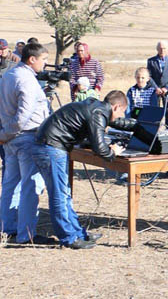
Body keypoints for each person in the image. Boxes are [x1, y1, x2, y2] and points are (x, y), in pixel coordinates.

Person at [29, 90, 129, 248]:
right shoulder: (99, 113)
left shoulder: (95, 107)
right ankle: (69, 238)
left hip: (52, 145)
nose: (120, 117)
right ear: (116, 107)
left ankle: (78, 233)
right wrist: (112, 152)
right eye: (122, 112)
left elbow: (90, 136)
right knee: (59, 195)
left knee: (65, 194)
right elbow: (100, 148)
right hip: (51, 147)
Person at [0, 42, 50, 243]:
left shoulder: (9, 75)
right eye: (44, 60)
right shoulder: (26, 79)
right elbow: (23, 115)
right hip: (26, 136)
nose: (45, 64)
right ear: (32, 59)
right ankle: (26, 234)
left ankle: (7, 227)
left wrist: (5, 133)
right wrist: (9, 132)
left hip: (11, 138)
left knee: (11, 184)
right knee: (30, 186)